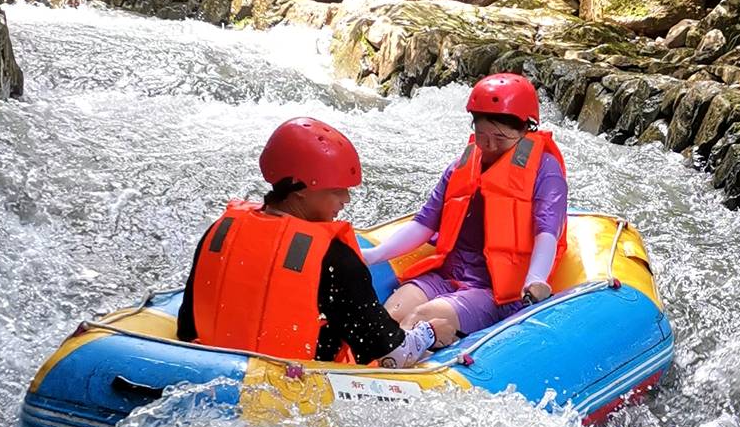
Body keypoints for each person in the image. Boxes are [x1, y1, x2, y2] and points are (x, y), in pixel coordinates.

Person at [177, 117, 435, 368]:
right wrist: (427, 332)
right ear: (299, 188)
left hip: (206, 363)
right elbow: (394, 355)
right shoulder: (335, 259)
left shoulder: (223, 230)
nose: (346, 199)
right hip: (290, 386)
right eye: (337, 190)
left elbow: (186, 327)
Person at [367, 73, 568, 345]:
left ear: (525, 130)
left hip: (497, 291)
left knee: (423, 317)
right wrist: (375, 255)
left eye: (500, 138)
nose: (490, 147)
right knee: (392, 314)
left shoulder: (545, 171)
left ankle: (409, 361)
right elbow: (425, 223)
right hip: (449, 276)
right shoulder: (461, 167)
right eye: (482, 136)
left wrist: (534, 280)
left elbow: (547, 231)